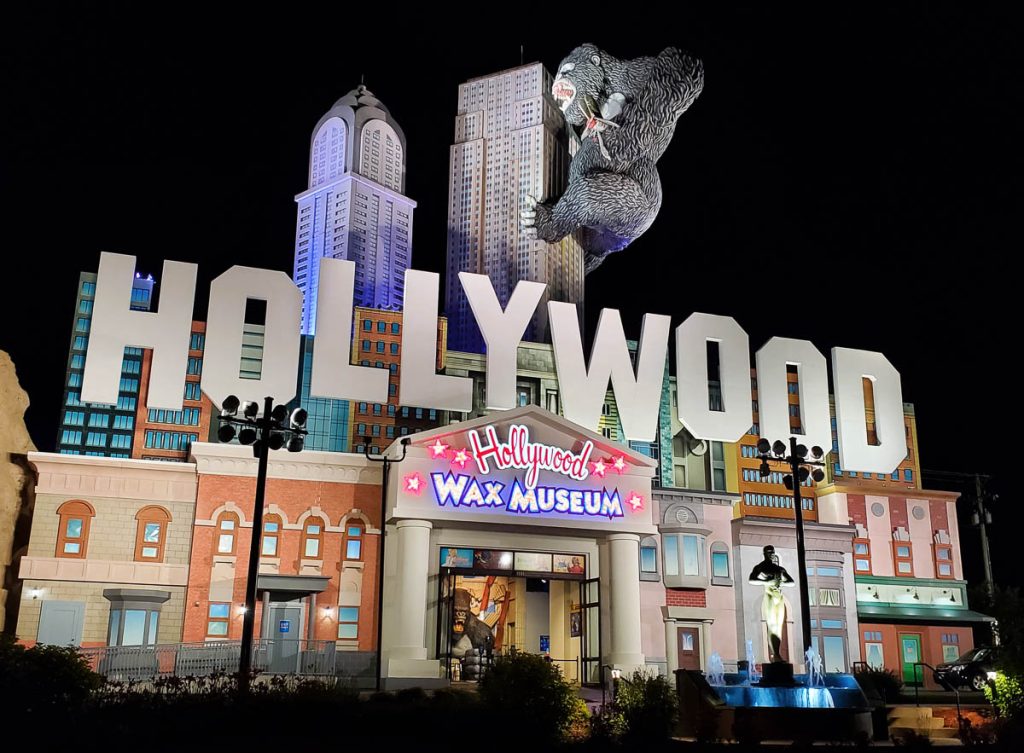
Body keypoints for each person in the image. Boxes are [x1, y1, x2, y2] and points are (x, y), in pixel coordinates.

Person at [747, 545, 795, 663]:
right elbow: (751, 579)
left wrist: (780, 583)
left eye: (773, 552)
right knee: (772, 626)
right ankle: (775, 654)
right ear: (765, 553)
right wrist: (767, 581)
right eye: (769, 552)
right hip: (769, 597)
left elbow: (791, 582)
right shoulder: (760, 568)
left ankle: (777, 653)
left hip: (779, 598)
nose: (771, 554)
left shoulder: (779, 569)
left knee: (778, 627)